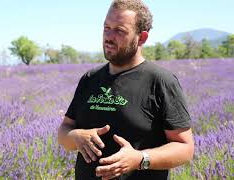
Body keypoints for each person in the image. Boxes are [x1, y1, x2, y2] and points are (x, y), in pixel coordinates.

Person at [57, 0, 194, 179]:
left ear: (142, 38)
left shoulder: (161, 82)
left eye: (120, 30)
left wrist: (140, 159)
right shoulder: (90, 79)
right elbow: (65, 130)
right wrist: (75, 136)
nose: (109, 36)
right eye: (106, 27)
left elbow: (185, 148)